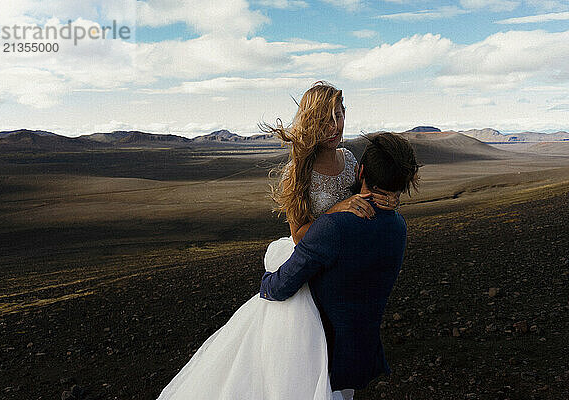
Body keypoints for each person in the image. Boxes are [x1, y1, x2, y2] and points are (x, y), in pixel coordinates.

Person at [156, 82, 400, 400]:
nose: (335, 126)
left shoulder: (349, 160)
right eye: (325, 119)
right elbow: (298, 234)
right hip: (308, 261)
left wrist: (386, 199)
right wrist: (337, 211)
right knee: (304, 357)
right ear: (310, 122)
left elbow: (359, 202)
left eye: (339, 115)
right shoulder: (298, 172)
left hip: (337, 265)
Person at [260, 132, 420, 400]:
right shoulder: (398, 227)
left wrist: (266, 277)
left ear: (360, 172)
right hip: (357, 354)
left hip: (319, 356)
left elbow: (279, 288)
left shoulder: (333, 228)